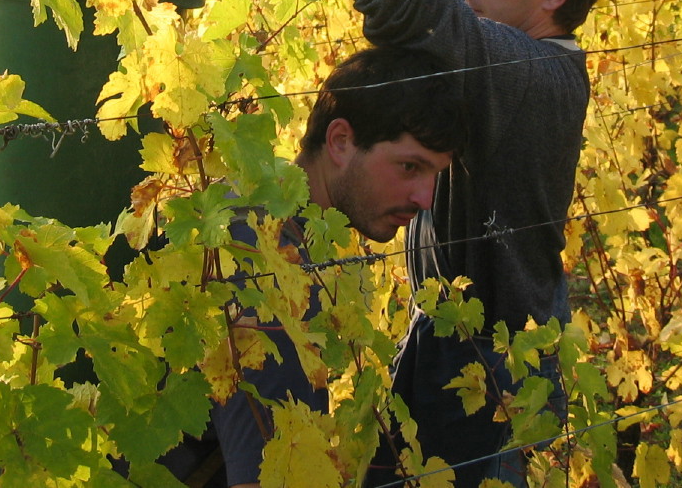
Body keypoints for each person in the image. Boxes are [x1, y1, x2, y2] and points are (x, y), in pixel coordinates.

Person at [218, 0, 604, 487]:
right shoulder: (506, 57)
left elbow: (419, 8)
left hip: (486, 365)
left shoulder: (534, 79)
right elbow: (430, 16)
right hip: (450, 341)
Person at [160, 46, 464, 488]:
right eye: (409, 166)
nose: (425, 198)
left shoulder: (256, 204)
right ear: (340, 141)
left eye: (436, 174)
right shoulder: (269, 262)